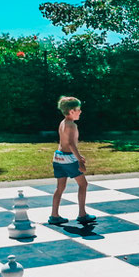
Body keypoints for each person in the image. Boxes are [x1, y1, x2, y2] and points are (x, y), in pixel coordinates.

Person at [49, 96, 95, 225]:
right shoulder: (72, 125)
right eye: (78, 109)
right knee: (83, 184)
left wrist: (78, 157)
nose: (80, 112)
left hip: (58, 157)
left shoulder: (63, 122)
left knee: (60, 187)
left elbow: (64, 143)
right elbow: (70, 144)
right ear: (71, 111)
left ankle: (54, 215)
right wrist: (79, 160)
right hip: (68, 159)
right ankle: (82, 214)